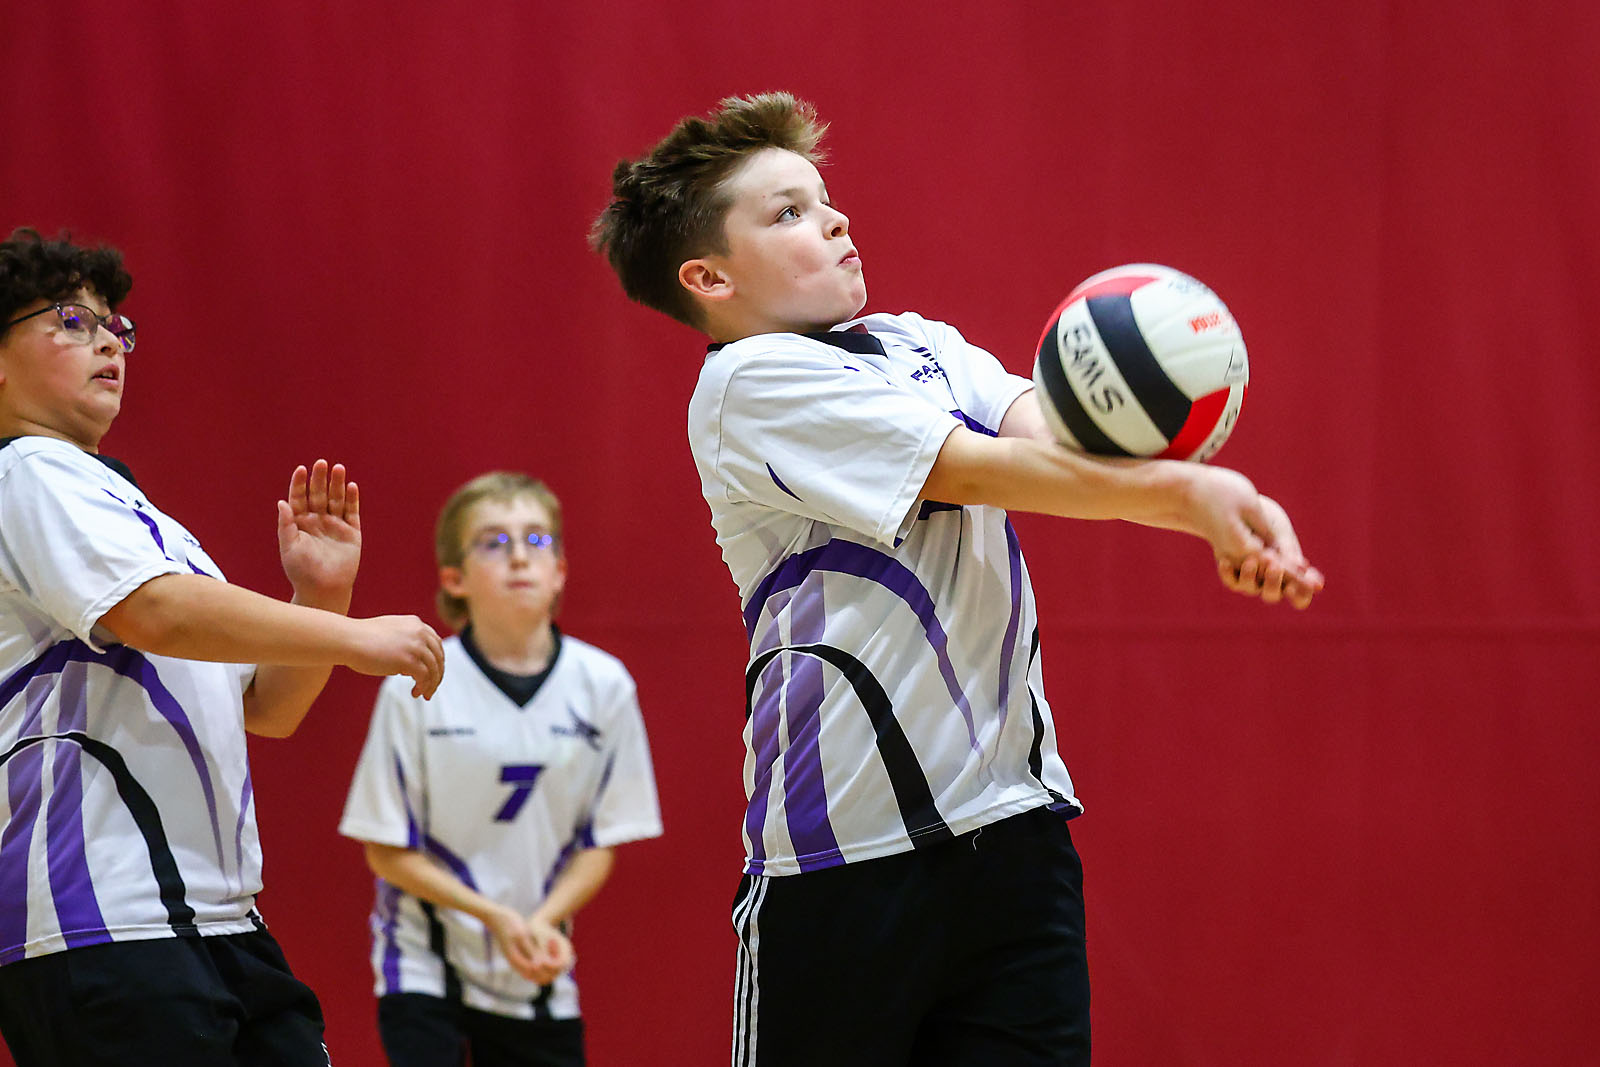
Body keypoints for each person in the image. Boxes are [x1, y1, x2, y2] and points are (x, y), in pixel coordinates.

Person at [589, 93, 1324, 1067]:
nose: (833, 219)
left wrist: (1203, 497)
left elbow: (1056, 444)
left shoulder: (920, 343)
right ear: (708, 276)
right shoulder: (749, 384)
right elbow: (983, 471)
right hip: (843, 859)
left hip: (1015, 831)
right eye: (787, 212)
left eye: (824, 198)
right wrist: (1195, 494)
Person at [0, 227, 446, 1067]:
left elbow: (267, 707)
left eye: (114, 326)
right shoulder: (26, 472)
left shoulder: (130, 511)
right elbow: (158, 615)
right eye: (68, 320)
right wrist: (351, 635)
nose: (106, 340)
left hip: (215, 919)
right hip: (102, 921)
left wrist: (319, 593)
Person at [340, 471, 663, 1067]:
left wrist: (537, 922)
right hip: (424, 963)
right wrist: (492, 917)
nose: (519, 556)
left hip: (536, 965)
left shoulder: (604, 686)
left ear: (561, 570)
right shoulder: (416, 682)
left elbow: (601, 842)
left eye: (537, 540)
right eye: (493, 541)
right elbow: (386, 849)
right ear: (454, 579)